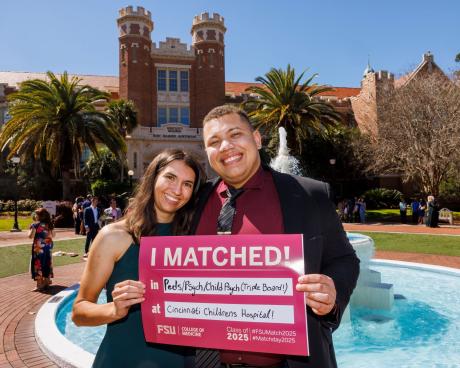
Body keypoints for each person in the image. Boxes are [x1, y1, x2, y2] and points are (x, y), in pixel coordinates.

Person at [192, 105, 360, 368]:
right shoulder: (194, 202)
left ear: (257, 139)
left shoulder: (310, 195)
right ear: (207, 152)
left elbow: (344, 259)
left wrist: (333, 291)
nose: (225, 146)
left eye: (235, 134)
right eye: (214, 141)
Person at [72, 149, 204, 368]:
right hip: (123, 360)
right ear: (153, 178)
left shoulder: (195, 241)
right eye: (170, 177)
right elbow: (78, 312)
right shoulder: (114, 236)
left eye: (187, 184)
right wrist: (113, 309)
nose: (177, 190)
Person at [28, 208, 55, 291]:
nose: (35, 216)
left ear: (39, 216)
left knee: (38, 264)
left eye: (36, 214)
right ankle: (47, 282)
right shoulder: (49, 225)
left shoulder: (35, 225)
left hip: (38, 248)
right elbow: (53, 235)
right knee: (47, 263)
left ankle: (39, 285)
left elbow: (30, 236)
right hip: (47, 247)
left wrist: (32, 229)